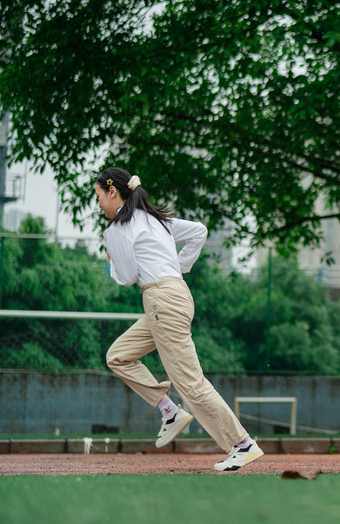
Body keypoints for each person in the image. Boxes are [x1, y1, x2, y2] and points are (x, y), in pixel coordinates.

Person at [96, 168, 262, 471]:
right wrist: (179, 267)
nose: (98, 205)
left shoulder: (116, 229)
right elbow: (199, 231)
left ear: (112, 192)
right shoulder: (154, 219)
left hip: (161, 300)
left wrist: (112, 264)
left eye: (98, 197)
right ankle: (169, 411)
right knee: (118, 356)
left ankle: (242, 444)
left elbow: (128, 276)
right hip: (174, 297)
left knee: (190, 383)